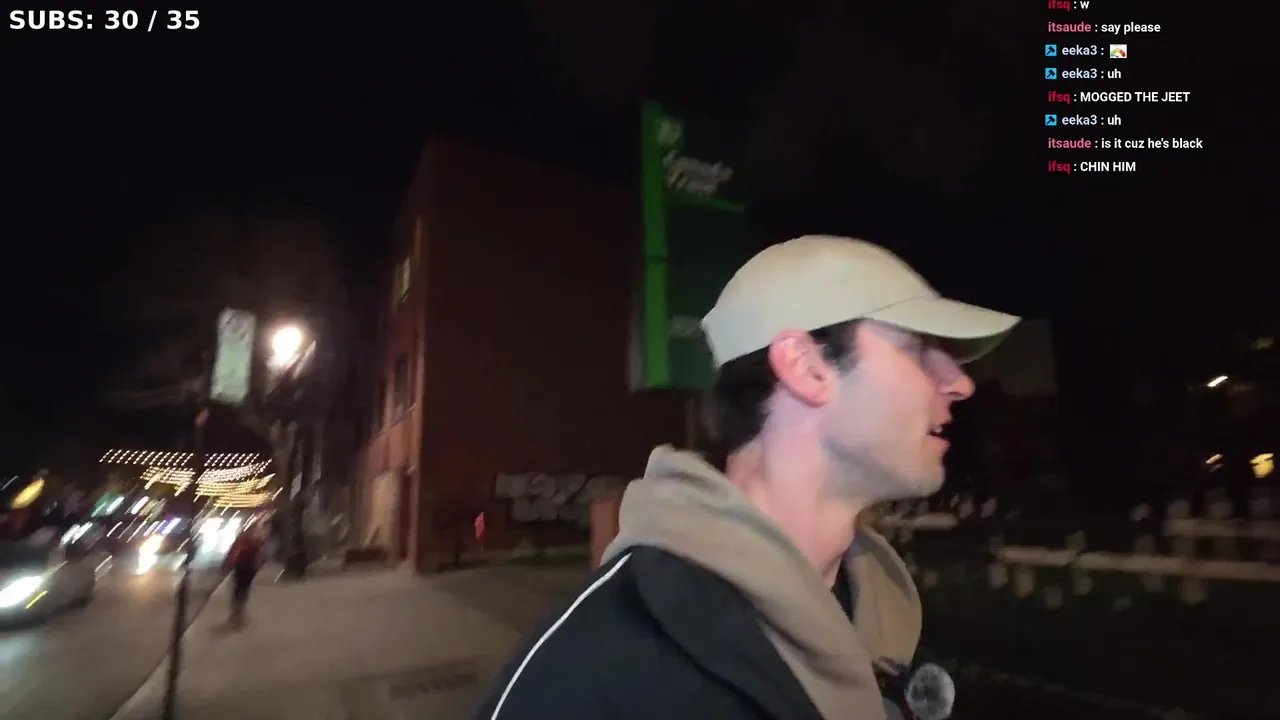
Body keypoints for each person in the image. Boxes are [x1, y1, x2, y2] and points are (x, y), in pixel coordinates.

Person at [471, 236, 1019, 720]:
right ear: (806, 367)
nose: (960, 383)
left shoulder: (881, 626)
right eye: (921, 348)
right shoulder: (591, 667)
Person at [222, 522, 265, 627]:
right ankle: (238, 614)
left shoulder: (243, 541)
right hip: (246, 569)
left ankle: (236, 614)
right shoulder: (254, 542)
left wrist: (227, 565)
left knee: (239, 590)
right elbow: (259, 557)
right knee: (242, 591)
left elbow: (232, 553)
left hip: (242, 568)